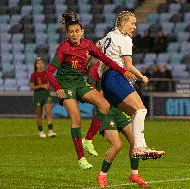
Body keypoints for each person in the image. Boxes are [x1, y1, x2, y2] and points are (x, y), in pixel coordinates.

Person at [46, 11, 136, 170]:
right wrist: (58, 88)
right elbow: (49, 71)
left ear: (82, 32)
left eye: (77, 31)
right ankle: (81, 158)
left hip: (79, 82)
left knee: (104, 105)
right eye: (71, 32)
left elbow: (106, 60)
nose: (74, 34)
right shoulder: (63, 48)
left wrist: (123, 71)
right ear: (67, 34)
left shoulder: (87, 45)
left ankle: (88, 140)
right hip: (65, 84)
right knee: (76, 118)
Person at [98, 11, 165, 160]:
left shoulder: (109, 35)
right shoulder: (125, 39)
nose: (134, 27)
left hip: (106, 82)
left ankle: (140, 147)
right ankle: (139, 147)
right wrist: (142, 76)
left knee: (135, 112)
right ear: (123, 24)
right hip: (115, 77)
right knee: (141, 110)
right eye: (132, 23)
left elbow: (96, 46)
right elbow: (128, 65)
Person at [85, 61, 148, 188]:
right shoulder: (96, 69)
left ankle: (134, 175)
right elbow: (89, 90)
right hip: (107, 113)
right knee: (117, 145)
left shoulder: (119, 65)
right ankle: (102, 175)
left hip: (120, 110)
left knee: (134, 141)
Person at [29, 57, 57, 138]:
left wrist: (49, 85)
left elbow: (50, 84)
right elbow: (31, 87)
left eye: (41, 63)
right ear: (36, 65)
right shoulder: (33, 75)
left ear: (44, 64)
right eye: (38, 63)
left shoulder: (47, 73)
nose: (40, 65)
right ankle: (41, 131)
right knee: (39, 115)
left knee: (48, 112)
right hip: (38, 95)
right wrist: (41, 86)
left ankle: (51, 131)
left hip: (46, 94)